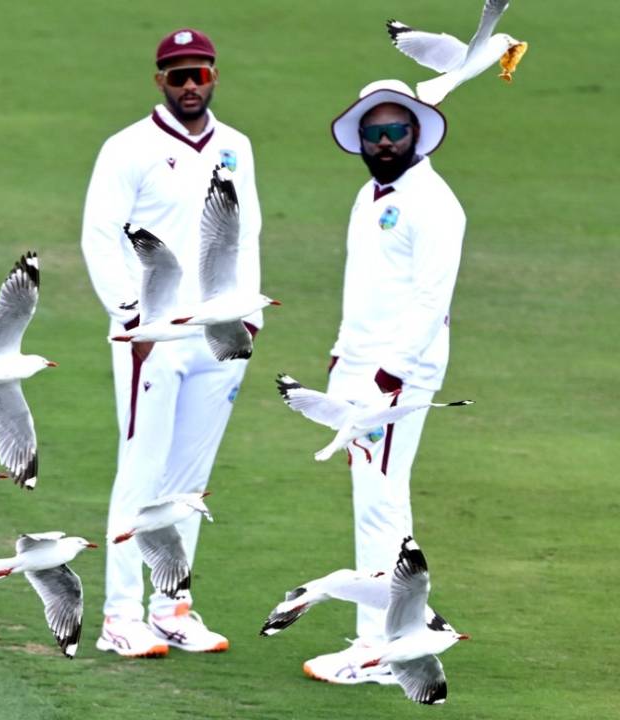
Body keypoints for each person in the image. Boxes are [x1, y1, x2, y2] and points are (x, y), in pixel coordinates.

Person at [80, 28, 263, 658]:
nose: (190, 85)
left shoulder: (236, 146)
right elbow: (99, 236)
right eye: (177, 75)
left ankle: (171, 606)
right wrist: (132, 317)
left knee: (189, 480)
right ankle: (119, 616)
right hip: (151, 335)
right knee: (141, 470)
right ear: (159, 80)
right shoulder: (127, 147)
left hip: (218, 335)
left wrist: (248, 317)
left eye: (200, 73)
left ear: (214, 76)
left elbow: (247, 234)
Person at [303, 79, 466, 684]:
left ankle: (380, 649)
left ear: (417, 132)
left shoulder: (435, 203)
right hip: (361, 364)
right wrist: (344, 357)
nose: (386, 141)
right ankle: (395, 637)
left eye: (397, 130)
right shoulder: (369, 195)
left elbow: (430, 300)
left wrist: (388, 374)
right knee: (376, 499)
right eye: (374, 132)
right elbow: (366, 287)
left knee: (380, 505)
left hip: (396, 375)